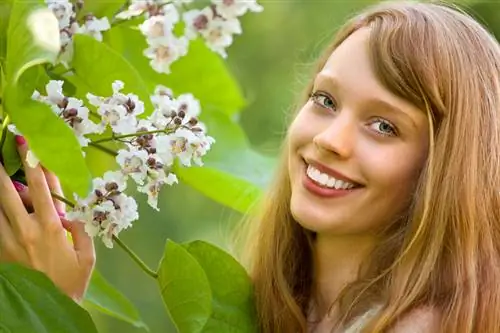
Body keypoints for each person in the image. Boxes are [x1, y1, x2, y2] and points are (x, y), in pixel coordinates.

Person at [1, 1, 500, 332]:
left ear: (447, 167)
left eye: (384, 126)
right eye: (325, 99)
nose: (329, 140)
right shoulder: (280, 310)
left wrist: (50, 304)